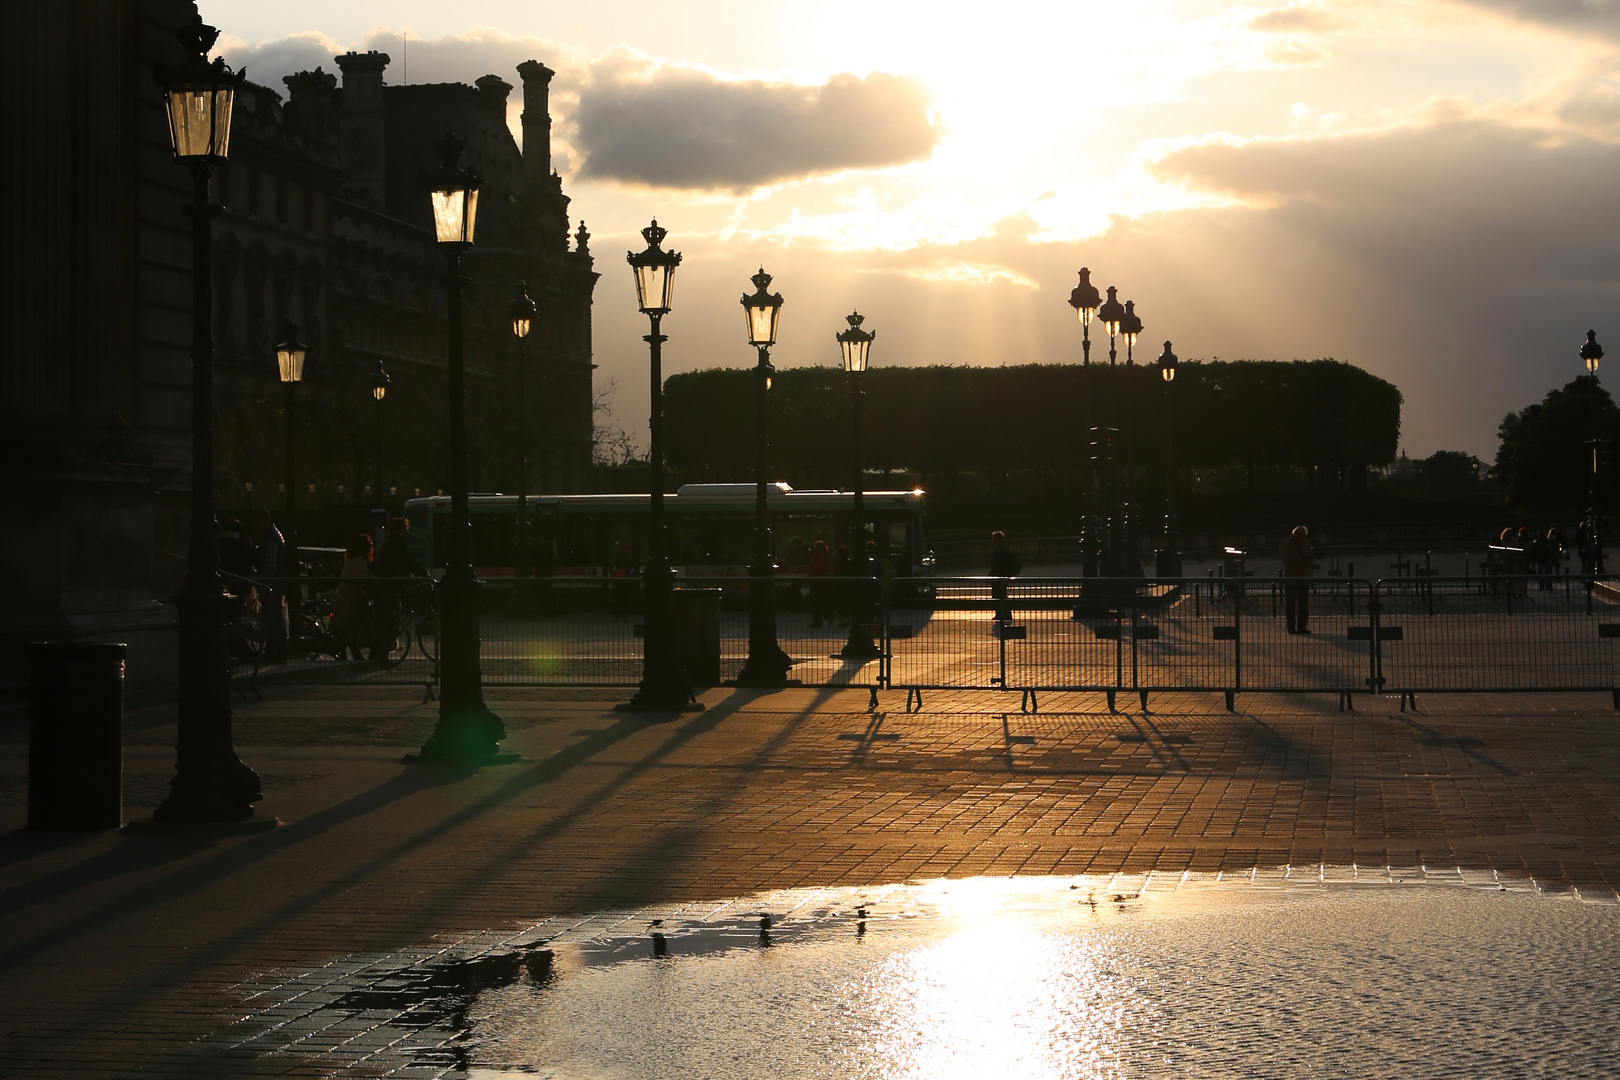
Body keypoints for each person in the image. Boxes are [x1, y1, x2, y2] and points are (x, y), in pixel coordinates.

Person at [372, 518, 425, 662]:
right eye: (403, 528)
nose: (406, 531)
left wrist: (424, 573)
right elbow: (393, 570)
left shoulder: (397, 545)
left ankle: (379, 655)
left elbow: (410, 562)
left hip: (392, 588)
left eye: (406, 528)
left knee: (391, 623)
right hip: (387, 590)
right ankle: (381, 657)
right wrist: (405, 586)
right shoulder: (392, 547)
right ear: (395, 530)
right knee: (390, 624)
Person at [251, 510, 289, 663]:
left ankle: (273, 650)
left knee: (271, 618)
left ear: (266, 520)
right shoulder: (275, 536)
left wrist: (265, 587)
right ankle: (279, 650)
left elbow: (269, 566)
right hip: (277, 583)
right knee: (276, 617)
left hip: (272, 585)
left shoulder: (270, 538)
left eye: (259, 521)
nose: (257, 525)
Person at [331, 533, 373, 661]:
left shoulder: (353, 559)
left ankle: (351, 653)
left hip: (348, 597)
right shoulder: (358, 561)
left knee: (351, 625)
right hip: (350, 598)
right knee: (349, 625)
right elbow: (365, 576)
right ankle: (348, 653)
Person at [1279, 525, 1313, 634]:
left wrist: (1308, 562)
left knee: (1303, 604)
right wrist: (1301, 560)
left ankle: (1302, 626)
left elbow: (1311, 557)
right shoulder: (1285, 543)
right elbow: (1284, 559)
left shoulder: (1306, 544)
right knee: (1291, 604)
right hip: (1292, 578)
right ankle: (1291, 626)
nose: (1301, 537)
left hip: (1302, 577)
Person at [989, 530, 1021, 622]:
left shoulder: (1000, 550)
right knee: (1002, 596)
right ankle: (1004, 614)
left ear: (996, 539)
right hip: (1002, 576)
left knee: (998, 595)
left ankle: (1001, 614)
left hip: (998, 576)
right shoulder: (1005, 549)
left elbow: (997, 564)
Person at [808, 539, 833, 627]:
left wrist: (809, 579)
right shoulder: (826, 556)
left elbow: (813, 569)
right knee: (822, 601)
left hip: (816, 581)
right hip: (823, 580)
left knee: (816, 602)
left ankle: (817, 621)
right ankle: (828, 615)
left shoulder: (817, 557)